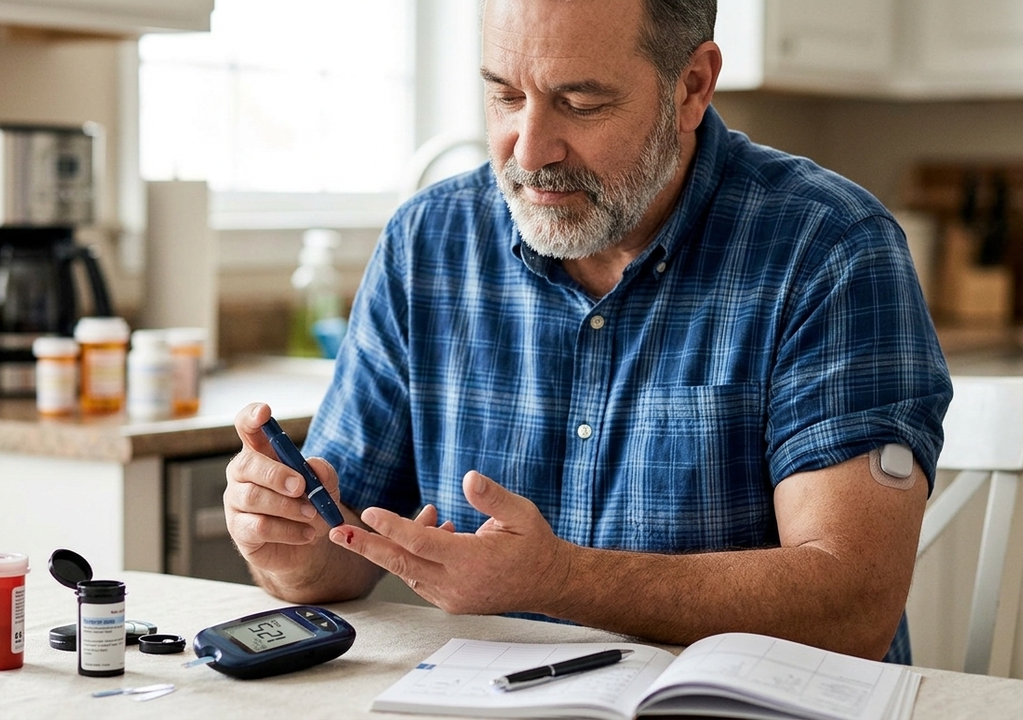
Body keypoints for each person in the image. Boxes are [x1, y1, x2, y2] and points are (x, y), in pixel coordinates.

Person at [224, 0, 952, 663]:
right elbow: (341, 554)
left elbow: (851, 604)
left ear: (692, 86)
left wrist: (559, 578)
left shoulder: (828, 248)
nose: (530, 148)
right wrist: (286, 540)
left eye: (580, 102)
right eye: (506, 95)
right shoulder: (428, 244)